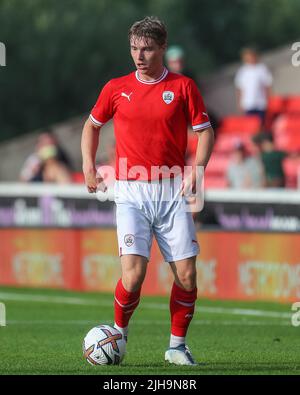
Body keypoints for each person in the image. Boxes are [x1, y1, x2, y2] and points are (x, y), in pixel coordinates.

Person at [81, 16, 214, 366]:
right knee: (134, 274)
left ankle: (177, 346)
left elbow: (205, 132)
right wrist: (87, 164)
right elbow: (91, 126)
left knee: (186, 275)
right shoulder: (115, 88)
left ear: (162, 49)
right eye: (134, 48)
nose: (139, 55)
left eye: (147, 49)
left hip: (172, 191)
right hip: (130, 192)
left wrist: (197, 171)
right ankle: (118, 334)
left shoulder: (183, 87)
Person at [235, 47, 273, 124]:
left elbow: (267, 86)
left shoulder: (262, 69)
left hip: (261, 103)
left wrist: (269, 100)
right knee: (251, 124)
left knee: (262, 124)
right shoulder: (242, 71)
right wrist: (239, 104)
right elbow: (240, 89)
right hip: (248, 104)